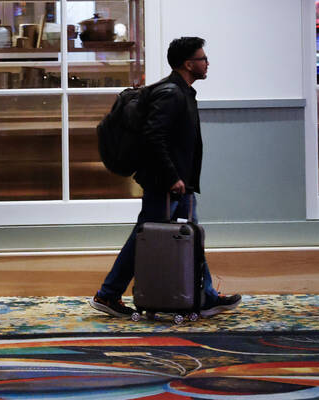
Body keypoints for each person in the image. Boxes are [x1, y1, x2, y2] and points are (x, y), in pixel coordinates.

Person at [90, 36, 242, 319]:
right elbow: (153, 137)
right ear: (188, 64)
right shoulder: (171, 94)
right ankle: (108, 294)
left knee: (189, 236)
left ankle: (206, 296)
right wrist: (173, 176)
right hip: (166, 184)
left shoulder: (182, 91)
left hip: (179, 183)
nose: (207, 63)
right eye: (202, 58)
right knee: (145, 238)